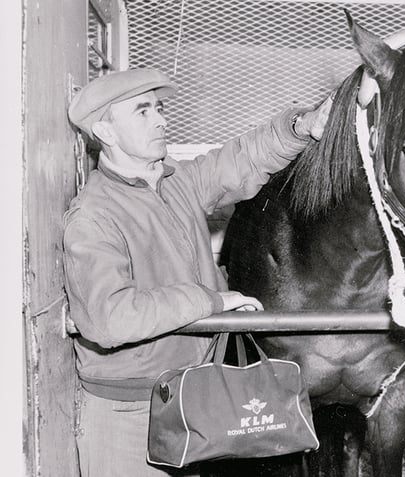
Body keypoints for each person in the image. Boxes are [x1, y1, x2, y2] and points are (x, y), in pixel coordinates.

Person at [63, 68, 332, 476]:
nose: (161, 120)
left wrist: (303, 126)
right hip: (131, 410)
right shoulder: (94, 215)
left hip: (190, 396)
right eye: (142, 112)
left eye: (160, 108)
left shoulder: (175, 184)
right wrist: (212, 301)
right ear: (106, 131)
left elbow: (242, 158)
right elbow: (109, 318)